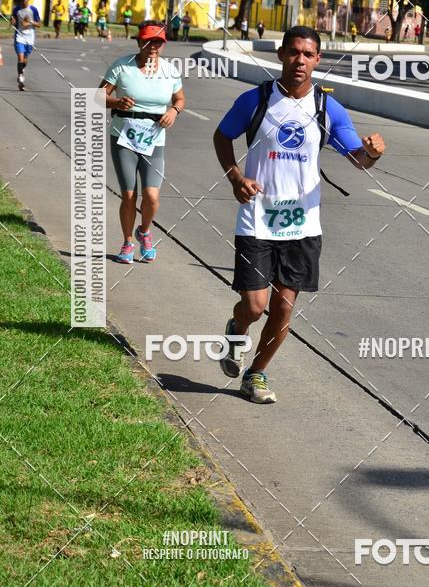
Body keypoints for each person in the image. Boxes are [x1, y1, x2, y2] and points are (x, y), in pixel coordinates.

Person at [213, 25, 386, 404]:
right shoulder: (255, 101)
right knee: (256, 305)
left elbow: (357, 159)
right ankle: (237, 326)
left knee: (283, 309)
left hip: (302, 225)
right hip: (257, 218)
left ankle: (256, 374)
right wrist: (236, 177)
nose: (300, 61)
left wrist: (371, 153)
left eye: (308, 54)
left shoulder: (327, 108)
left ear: (318, 60)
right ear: (281, 54)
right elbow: (221, 136)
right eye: (294, 52)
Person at [100, 20, 185, 264]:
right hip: (124, 137)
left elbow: (180, 99)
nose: (153, 46)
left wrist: (173, 112)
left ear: (163, 44)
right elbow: (97, 97)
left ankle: (144, 232)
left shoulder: (170, 70)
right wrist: (116, 103)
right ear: (139, 42)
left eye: (158, 41)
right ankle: (127, 242)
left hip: (154, 138)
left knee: (151, 196)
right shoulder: (122, 66)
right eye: (148, 41)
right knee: (129, 195)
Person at [12, 0, 41, 91]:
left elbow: (39, 24)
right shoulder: (16, 10)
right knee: (20, 57)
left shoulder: (33, 10)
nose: (24, 0)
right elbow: (14, 21)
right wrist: (13, 21)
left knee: (25, 58)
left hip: (30, 36)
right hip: (19, 36)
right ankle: (21, 78)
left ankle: (22, 70)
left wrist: (30, 22)